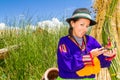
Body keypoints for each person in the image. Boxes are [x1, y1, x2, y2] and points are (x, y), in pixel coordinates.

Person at [56, 8, 116, 80]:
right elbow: (66, 64)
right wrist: (90, 56)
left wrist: (108, 56)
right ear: (72, 23)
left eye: (87, 26)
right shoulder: (64, 41)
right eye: (82, 25)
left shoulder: (91, 41)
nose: (85, 29)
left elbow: (101, 63)